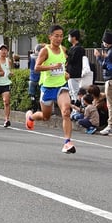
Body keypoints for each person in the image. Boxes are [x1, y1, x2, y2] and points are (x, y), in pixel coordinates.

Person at [25, 24, 76, 154]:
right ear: (50, 37)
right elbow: (37, 67)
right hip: (47, 87)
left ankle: (67, 142)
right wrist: (51, 67)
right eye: (56, 36)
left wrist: (65, 73)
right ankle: (31, 117)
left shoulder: (63, 49)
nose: (59, 39)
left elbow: (64, 65)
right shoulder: (45, 51)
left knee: (65, 112)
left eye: (61, 36)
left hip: (61, 86)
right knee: (46, 116)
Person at [95, 31, 112, 135]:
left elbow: (105, 65)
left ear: (106, 42)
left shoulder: (111, 52)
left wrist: (98, 57)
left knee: (111, 104)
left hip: (111, 80)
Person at [0, 44, 12, 128]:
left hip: (5, 84)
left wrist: (10, 73)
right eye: (2, 50)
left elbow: (8, 71)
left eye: (5, 50)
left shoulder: (9, 61)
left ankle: (7, 119)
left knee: (6, 101)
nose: (4, 51)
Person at [66, 29, 85, 103]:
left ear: (74, 37)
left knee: (75, 93)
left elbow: (72, 60)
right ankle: (75, 109)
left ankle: (77, 109)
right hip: (71, 74)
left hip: (74, 73)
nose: (68, 38)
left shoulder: (78, 49)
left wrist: (66, 56)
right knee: (72, 92)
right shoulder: (74, 48)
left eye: (69, 36)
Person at [27, 44, 43, 112]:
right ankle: (40, 108)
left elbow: (29, 66)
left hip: (32, 78)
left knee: (32, 94)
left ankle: (34, 107)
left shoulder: (31, 57)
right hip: (41, 79)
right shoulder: (42, 57)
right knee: (41, 94)